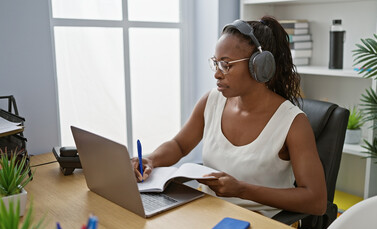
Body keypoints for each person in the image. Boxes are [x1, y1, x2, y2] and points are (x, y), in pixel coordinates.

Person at [132, 16, 326, 218]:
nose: (217, 74)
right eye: (215, 63)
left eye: (226, 65)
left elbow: (316, 201)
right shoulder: (212, 101)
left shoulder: (293, 123)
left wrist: (242, 190)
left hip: (262, 225)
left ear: (259, 67)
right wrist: (151, 159)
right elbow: (180, 145)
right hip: (208, 214)